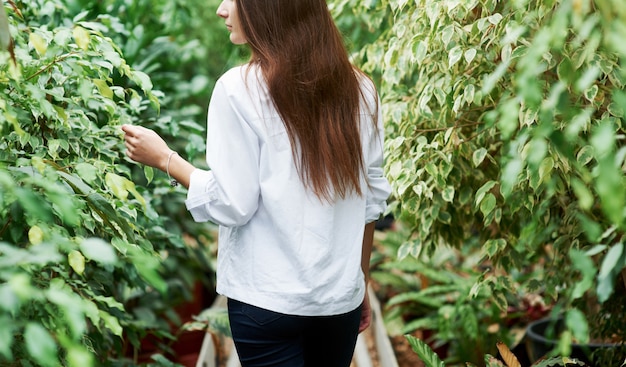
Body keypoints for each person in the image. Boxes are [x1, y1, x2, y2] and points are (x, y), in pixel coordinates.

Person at [122, 0, 391, 365]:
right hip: (337, 302)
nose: (220, 9)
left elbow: (233, 203)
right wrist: (360, 281)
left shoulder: (238, 89)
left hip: (265, 300)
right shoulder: (360, 90)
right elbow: (371, 201)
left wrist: (165, 159)